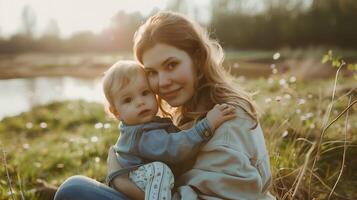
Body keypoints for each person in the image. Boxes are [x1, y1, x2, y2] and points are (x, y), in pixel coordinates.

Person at [55, 11, 275, 200]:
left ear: (197, 59)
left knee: (73, 190)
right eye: (152, 72)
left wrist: (124, 186)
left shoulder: (227, 121)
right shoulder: (194, 109)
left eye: (171, 65)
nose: (162, 82)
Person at [101, 60, 236, 200]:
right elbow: (174, 147)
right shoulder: (141, 135)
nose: (140, 102)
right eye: (128, 100)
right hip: (135, 178)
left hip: (146, 183)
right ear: (116, 113)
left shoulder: (145, 126)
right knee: (160, 170)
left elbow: (175, 136)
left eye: (145, 92)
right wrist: (207, 125)